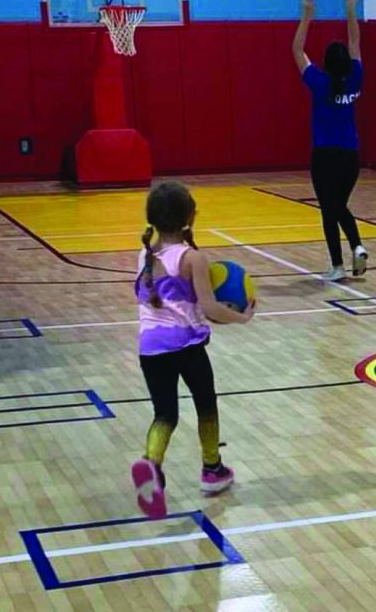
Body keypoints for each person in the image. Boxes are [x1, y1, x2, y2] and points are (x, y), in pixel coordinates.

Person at [131, 181, 254, 519]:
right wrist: (241, 318)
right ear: (189, 217)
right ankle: (212, 469)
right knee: (205, 404)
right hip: (185, 346)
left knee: (165, 414)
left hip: (150, 348)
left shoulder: (144, 254)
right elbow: (211, 308)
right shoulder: (192, 258)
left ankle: (151, 463)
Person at [292, 0, 369, 281]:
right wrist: (351, 8)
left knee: (329, 209)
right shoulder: (355, 79)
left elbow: (297, 50)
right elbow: (355, 42)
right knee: (338, 206)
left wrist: (306, 16)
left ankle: (338, 265)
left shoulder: (320, 83)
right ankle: (358, 246)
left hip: (325, 156)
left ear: (325, 62)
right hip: (350, 156)